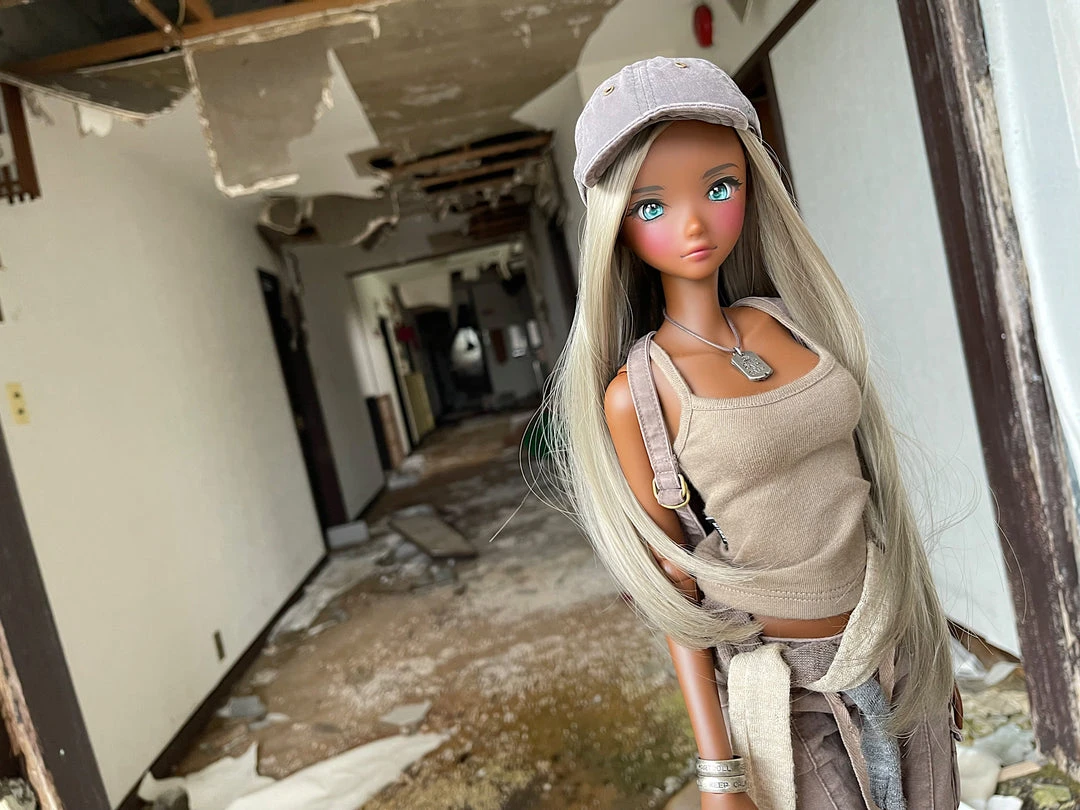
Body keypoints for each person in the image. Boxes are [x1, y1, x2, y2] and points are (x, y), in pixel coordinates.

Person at [542, 57, 962, 809]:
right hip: (788, 690)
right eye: (651, 206)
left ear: (751, 186)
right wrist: (719, 770)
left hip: (894, 640)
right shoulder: (639, 396)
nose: (693, 224)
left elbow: (877, 494)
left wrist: (934, 645)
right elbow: (673, 588)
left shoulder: (793, 322)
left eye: (719, 188)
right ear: (616, 228)